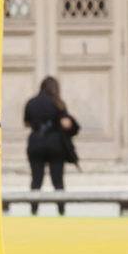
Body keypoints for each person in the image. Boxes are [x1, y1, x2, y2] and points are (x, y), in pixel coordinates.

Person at [24, 76, 79, 212]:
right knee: (58, 179)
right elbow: (66, 123)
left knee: (36, 179)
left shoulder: (31, 102)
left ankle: (34, 210)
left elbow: (26, 122)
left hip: (36, 142)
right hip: (55, 144)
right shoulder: (58, 103)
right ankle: (61, 210)